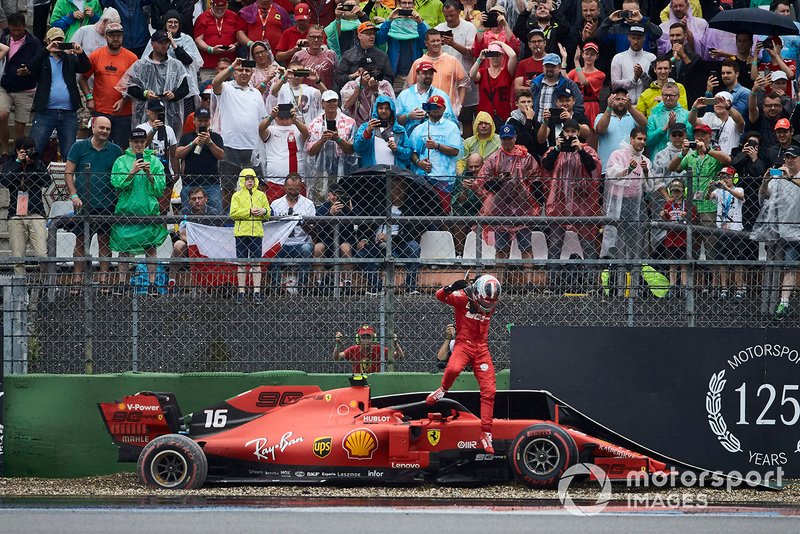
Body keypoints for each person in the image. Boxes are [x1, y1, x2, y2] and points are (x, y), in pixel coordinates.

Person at [426, 274, 502, 454]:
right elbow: (440, 296)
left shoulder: (489, 299)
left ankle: (486, 433)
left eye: (491, 302)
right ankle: (442, 390)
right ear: (477, 292)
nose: (488, 306)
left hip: (482, 348)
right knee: (453, 368)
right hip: (463, 344)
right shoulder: (462, 297)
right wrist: (450, 287)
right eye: (485, 301)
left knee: (489, 391)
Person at [476, 124, 541, 285]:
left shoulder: (525, 157)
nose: (507, 142)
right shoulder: (494, 158)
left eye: (509, 139)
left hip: (522, 209)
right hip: (500, 210)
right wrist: (497, 182)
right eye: (504, 139)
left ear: (515, 138)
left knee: (526, 246)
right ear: (500, 139)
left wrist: (535, 198)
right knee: (501, 249)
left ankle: (529, 283)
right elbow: (482, 181)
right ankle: (500, 282)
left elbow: (536, 179)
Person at [64, 116, 122, 293]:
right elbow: (68, 172)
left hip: (107, 203)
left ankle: (104, 279)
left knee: (105, 241)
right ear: (93, 128)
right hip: (83, 204)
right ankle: (77, 279)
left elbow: (120, 175)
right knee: (81, 241)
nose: (104, 131)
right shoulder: (78, 147)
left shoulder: (115, 150)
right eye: (101, 128)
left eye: (108, 129)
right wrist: (73, 195)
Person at [110, 128, 169, 294]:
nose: (139, 145)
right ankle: (122, 283)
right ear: (130, 142)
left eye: (142, 142)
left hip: (148, 210)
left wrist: (149, 173)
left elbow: (160, 189)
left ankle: (152, 283)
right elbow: (116, 183)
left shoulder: (155, 162)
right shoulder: (121, 161)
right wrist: (132, 172)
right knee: (124, 248)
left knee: (151, 248)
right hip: (126, 210)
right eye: (136, 142)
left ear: (146, 142)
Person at [668, 122, 731, 268]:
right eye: (697, 135)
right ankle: (696, 286)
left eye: (703, 135)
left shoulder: (714, 153)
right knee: (692, 249)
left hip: (709, 205)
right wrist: (682, 153)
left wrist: (707, 150)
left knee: (711, 248)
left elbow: (727, 160)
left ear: (709, 137)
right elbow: (672, 168)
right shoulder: (690, 156)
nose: (699, 138)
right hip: (692, 208)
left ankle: (713, 287)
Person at [540, 118, 602, 259]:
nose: (569, 135)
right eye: (567, 131)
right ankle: (553, 279)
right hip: (559, 204)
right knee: (555, 243)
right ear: (562, 133)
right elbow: (546, 166)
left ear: (579, 133)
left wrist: (580, 150)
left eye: (573, 132)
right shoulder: (554, 150)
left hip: (582, 204)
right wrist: (557, 149)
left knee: (587, 243)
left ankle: (591, 279)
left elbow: (594, 168)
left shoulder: (587, 150)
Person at [212, 57, 267, 209]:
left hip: (252, 147)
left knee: (256, 186)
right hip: (230, 145)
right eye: (240, 70)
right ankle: (226, 219)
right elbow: (215, 83)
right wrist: (232, 66)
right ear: (234, 73)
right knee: (228, 186)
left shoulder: (256, 93)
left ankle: (254, 214)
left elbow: (262, 120)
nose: (244, 73)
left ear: (252, 73)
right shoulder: (226, 88)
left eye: (247, 70)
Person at [355, 175, 424, 295]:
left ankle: (410, 287)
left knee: (414, 247)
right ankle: (377, 287)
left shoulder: (410, 208)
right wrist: (364, 239)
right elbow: (366, 227)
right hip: (378, 244)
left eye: (400, 188)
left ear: (405, 190)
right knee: (360, 254)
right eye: (393, 188)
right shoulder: (379, 206)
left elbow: (411, 234)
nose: (396, 191)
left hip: (400, 244)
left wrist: (390, 237)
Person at [28, 27, 91, 159]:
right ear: (48, 41)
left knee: (69, 153)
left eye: (60, 41)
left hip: (68, 113)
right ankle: (32, 178)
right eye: (55, 41)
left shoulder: (70, 58)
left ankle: (67, 179)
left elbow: (86, 68)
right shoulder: (42, 58)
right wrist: (46, 51)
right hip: (46, 111)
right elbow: (31, 68)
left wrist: (80, 53)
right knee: (35, 149)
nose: (58, 44)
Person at [117, 30, 190, 142]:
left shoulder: (176, 65)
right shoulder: (140, 65)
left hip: (170, 113)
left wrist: (174, 94)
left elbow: (185, 89)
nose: (164, 45)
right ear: (152, 44)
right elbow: (130, 87)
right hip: (144, 112)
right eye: (160, 42)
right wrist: (145, 93)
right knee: (144, 141)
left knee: (169, 143)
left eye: (166, 43)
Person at [79, 22, 137, 149]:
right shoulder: (95, 55)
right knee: (97, 147)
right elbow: (82, 79)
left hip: (124, 113)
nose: (116, 38)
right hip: (100, 111)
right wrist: (89, 98)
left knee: (121, 149)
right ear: (105, 36)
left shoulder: (132, 58)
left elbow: (136, 85)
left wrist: (124, 100)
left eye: (119, 35)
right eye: (112, 35)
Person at [759, 145, 800, 319]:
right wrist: (766, 180)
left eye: (793, 157)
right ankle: (783, 304)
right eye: (787, 157)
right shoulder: (780, 176)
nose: (789, 160)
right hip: (788, 230)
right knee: (789, 265)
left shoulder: (793, 177)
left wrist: (790, 178)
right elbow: (763, 197)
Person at [0, 137, 51, 275]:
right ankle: (20, 288)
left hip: (36, 213)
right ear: (17, 151)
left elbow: (46, 182)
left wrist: (33, 164)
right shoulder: (10, 164)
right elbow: (5, 181)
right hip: (15, 215)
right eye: (24, 150)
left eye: (30, 149)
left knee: (42, 254)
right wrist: (18, 162)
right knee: (18, 257)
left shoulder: (38, 162)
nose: (28, 153)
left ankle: (45, 282)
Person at [604, 126, 653, 260]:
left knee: (633, 237)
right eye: (639, 138)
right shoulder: (618, 154)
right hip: (617, 201)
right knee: (614, 234)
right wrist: (628, 169)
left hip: (634, 204)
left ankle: (631, 267)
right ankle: (611, 268)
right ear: (631, 139)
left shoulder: (645, 161)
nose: (642, 142)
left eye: (644, 139)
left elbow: (649, 187)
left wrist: (647, 172)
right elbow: (612, 175)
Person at [142, 10, 203, 118]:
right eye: (170, 22)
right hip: (161, 87)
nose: (173, 24)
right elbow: (147, 61)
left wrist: (173, 43)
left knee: (184, 119)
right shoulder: (156, 38)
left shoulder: (186, 39)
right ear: (165, 23)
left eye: (176, 22)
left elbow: (188, 60)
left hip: (183, 89)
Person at [408, 94, 463, 213]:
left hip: (443, 179)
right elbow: (411, 151)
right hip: (423, 179)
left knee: (442, 215)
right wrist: (419, 163)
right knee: (423, 213)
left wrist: (437, 146)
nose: (435, 110)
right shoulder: (419, 129)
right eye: (432, 107)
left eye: (437, 107)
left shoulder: (451, 127)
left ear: (443, 108)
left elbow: (455, 151)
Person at [0, 13, 44, 157]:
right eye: (13, 30)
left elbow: (39, 64)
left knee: (20, 125)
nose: (16, 33)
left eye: (19, 30)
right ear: (10, 28)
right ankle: (5, 150)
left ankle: (17, 154)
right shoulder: (4, 37)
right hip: (4, 85)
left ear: (24, 27)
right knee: (2, 115)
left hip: (25, 88)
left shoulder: (34, 42)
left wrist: (28, 71)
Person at [407, 29, 470, 120]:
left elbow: (463, 83)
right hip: (424, 114)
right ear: (426, 43)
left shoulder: (452, 61)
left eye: (438, 40)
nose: (436, 43)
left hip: (448, 112)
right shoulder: (418, 63)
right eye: (433, 41)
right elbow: (410, 88)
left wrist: (459, 106)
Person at [305, 90, 356, 200]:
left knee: (342, 199)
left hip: (343, 167)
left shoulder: (349, 122)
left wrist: (337, 139)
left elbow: (351, 150)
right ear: (322, 103)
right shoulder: (315, 123)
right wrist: (322, 140)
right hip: (321, 168)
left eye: (334, 101)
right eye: (329, 101)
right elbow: (310, 151)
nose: (332, 104)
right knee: (320, 198)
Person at [435, 0, 477, 133]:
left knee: (466, 118)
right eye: (446, 16)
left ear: (459, 13)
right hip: (444, 81)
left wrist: (453, 44)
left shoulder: (469, 27)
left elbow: (472, 53)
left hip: (465, 80)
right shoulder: (438, 29)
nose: (449, 19)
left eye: (452, 15)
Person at [269, 173, 316, 293]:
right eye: (290, 188)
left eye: (296, 188)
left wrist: (302, 223)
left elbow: (313, 232)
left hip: (301, 242)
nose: (293, 191)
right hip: (282, 243)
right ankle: (276, 289)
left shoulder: (308, 204)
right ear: (284, 187)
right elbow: (271, 228)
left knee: (306, 249)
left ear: (301, 187)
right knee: (271, 252)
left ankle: (302, 289)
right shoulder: (276, 204)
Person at [230, 168, 270, 302]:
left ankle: (256, 291)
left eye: (252, 179)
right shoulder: (236, 196)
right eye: (247, 179)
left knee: (256, 262)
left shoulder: (261, 195)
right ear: (242, 180)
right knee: (241, 262)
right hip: (241, 232)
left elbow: (269, 212)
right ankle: (241, 291)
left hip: (256, 232)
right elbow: (233, 213)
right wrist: (249, 211)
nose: (249, 182)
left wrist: (263, 211)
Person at [705, 166, 745, 299]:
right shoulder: (718, 191)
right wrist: (710, 187)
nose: (724, 179)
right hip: (721, 230)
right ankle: (724, 288)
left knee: (737, 262)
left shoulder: (738, 189)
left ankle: (739, 289)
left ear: (733, 177)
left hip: (735, 230)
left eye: (726, 176)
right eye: (721, 177)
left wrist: (727, 188)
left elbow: (741, 196)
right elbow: (707, 197)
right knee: (722, 261)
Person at [169, 186, 220, 290]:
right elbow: (182, 234)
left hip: (208, 245)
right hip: (190, 243)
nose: (197, 201)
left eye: (200, 198)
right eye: (194, 199)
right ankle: (172, 279)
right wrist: (195, 242)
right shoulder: (185, 212)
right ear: (189, 201)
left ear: (206, 198)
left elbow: (216, 234)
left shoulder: (213, 213)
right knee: (178, 245)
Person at [175, 107, 225, 212]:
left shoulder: (216, 137)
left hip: (211, 183)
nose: (203, 123)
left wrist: (210, 142)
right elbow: (178, 154)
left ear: (209, 122)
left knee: (216, 216)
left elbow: (221, 155)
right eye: (200, 120)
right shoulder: (186, 137)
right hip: (190, 183)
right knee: (188, 216)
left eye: (205, 120)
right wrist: (192, 143)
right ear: (194, 121)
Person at [257, 104, 310, 201]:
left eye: (287, 118)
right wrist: (271, 117)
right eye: (281, 118)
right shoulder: (271, 129)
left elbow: (306, 133)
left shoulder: (297, 128)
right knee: (273, 211)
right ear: (276, 118)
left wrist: (296, 121)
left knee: (299, 212)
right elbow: (261, 129)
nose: (285, 121)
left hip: (297, 182)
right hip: (275, 181)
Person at [313, 183, 359, 291]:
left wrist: (351, 209)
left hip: (345, 240)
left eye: (339, 195)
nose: (335, 197)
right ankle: (318, 282)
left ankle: (347, 282)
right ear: (328, 195)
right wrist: (330, 214)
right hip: (327, 241)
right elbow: (318, 224)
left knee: (345, 247)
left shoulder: (347, 207)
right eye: (333, 194)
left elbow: (360, 223)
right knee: (318, 247)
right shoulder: (324, 207)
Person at [376, 0, 429, 89]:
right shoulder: (391, 23)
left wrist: (419, 23)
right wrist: (389, 19)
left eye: (410, 3)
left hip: (415, 76)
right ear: (398, 4)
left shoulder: (420, 24)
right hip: (395, 76)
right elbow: (380, 40)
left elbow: (425, 44)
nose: (407, 6)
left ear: (414, 5)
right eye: (404, 3)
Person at [395, 61, 457, 135]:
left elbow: (450, 120)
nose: (428, 76)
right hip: (409, 141)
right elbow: (396, 121)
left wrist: (430, 116)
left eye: (431, 74)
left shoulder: (441, 95)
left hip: (436, 138)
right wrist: (409, 116)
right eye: (425, 73)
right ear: (417, 74)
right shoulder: (404, 95)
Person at [353, 94, 413, 168]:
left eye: (387, 108)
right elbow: (357, 148)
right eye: (381, 108)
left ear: (392, 110)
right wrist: (367, 132)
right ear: (376, 109)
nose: (384, 111)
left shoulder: (400, 130)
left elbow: (409, 154)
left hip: (395, 175)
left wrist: (397, 149)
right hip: (371, 175)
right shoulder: (365, 127)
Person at [595, 87, 647, 169]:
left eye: (623, 99)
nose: (620, 102)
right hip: (608, 168)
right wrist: (609, 108)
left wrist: (630, 107)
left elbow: (644, 124)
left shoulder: (633, 116)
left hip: (631, 168)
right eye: (617, 99)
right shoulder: (601, 116)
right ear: (611, 100)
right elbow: (600, 130)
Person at [470, 41, 517, 129]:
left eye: (498, 54)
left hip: (503, 116)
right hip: (484, 117)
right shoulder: (483, 72)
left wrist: (501, 43)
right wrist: (480, 59)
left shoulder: (507, 72)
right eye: (492, 55)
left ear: (502, 56)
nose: (495, 58)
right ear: (488, 57)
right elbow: (472, 75)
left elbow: (513, 56)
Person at [660, 177, 694, 297]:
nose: (676, 194)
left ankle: (684, 286)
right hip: (671, 238)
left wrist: (687, 216)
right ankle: (672, 286)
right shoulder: (668, 204)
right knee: (672, 264)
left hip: (684, 238)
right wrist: (663, 216)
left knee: (684, 263)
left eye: (678, 191)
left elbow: (694, 220)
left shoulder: (688, 204)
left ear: (683, 191)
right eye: (674, 191)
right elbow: (666, 219)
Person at [335, 21, 394, 90]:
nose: (372, 36)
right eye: (368, 34)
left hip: (377, 93)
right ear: (359, 35)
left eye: (373, 34)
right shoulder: (348, 55)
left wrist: (377, 82)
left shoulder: (382, 55)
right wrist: (353, 76)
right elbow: (338, 79)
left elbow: (390, 78)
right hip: (354, 94)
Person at [340, 57, 397, 127]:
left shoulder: (385, 85)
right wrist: (360, 88)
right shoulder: (351, 85)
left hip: (380, 126)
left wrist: (375, 91)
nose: (371, 73)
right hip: (357, 127)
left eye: (373, 70)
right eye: (368, 70)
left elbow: (392, 108)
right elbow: (345, 109)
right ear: (359, 71)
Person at [194, 0, 245, 74]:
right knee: (208, 85)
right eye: (217, 8)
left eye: (223, 8)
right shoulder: (202, 18)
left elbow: (240, 36)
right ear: (211, 5)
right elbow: (198, 39)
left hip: (230, 65)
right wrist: (210, 49)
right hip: (209, 65)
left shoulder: (234, 16)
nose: (220, 11)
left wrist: (235, 45)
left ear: (227, 5)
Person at [610, 25, 655, 104]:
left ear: (644, 38)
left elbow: (654, 84)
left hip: (645, 104)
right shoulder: (618, 58)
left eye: (639, 38)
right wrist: (633, 80)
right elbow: (614, 84)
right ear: (628, 37)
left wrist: (642, 75)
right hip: (624, 105)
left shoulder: (651, 58)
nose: (636, 42)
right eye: (633, 38)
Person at [333, 324, 405, 373]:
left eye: (368, 337)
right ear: (359, 339)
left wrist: (395, 344)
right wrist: (338, 344)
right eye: (363, 338)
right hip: (358, 382)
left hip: (376, 380)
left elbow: (400, 356)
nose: (366, 340)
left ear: (373, 338)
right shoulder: (354, 349)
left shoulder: (379, 349)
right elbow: (336, 358)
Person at [529, 52, 585, 117]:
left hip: (560, 125)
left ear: (560, 67)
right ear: (543, 66)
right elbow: (529, 105)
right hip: (538, 125)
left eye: (553, 66)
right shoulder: (535, 84)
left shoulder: (570, 85)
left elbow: (579, 107)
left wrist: (570, 117)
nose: (549, 69)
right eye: (547, 66)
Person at [596, 0, 661, 54]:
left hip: (643, 65)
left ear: (639, 11)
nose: (629, 15)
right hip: (622, 65)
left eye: (632, 12)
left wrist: (642, 19)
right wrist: (609, 20)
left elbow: (658, 34)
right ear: (622, 12)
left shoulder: (646, 26)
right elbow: (599, 36)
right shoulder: (617, 28)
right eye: (626, 12)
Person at [646, 81, 692, 157]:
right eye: (665, 95)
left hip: (682, 159)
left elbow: (691, 138)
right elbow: (648, 141)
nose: (668, 98)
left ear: (678, 96)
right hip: (658, 158)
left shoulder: (686, 115)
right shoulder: (654, 115)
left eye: (671, 95)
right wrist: (664, 128)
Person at [269, 59, 322, 125]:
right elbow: (273, 92)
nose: (297, 76)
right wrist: (284, 77)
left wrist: (317, 81)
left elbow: (327, 95)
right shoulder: (282, 87)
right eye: (294, 73)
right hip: (287, 127)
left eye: (300, 73)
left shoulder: (308, 89)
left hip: (305, 128)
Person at [567, 42, 605, 126]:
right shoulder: (575, 71)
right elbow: (565, 80)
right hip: (576, 105)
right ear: (582, 54)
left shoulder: (600, 74)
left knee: (590, 131)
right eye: (586, 53)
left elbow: (583, 82)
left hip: (590, 105)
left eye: (592, 54)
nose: (589, 56)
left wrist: (576, 61)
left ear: (596, 56)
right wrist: (563, 60)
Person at [293, 25, 337, 90]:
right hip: (304, 95)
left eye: (319, 37)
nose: (316, 40)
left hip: (325, 95)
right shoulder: (299, 56)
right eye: (313, 37)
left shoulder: (331, 55)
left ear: (323, 38)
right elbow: (293, 76)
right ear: (307, 38)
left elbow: (336, 77)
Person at [513, 28, 547, 98]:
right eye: (534, 42)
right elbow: (517, 88)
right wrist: (534, 88)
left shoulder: (552, 61)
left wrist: (533, 86)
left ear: (545, 43)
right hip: (528, 102)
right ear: (529, 44)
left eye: (539, 41)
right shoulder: (523, 64)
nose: (537, 44)